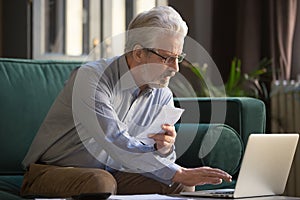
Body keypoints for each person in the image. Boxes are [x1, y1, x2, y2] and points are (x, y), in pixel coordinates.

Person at [20, 6, 232, 198]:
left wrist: (164, 149)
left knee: (181, 186)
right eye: (167, 58)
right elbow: (113, 139)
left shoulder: (162, 93)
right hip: (52, 172)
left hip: (114, 173)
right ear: (139, 53)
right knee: (101, 183)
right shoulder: (91, 78)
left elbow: (150, 157)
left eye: (179, 57)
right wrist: (179, 172)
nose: (175, 68)